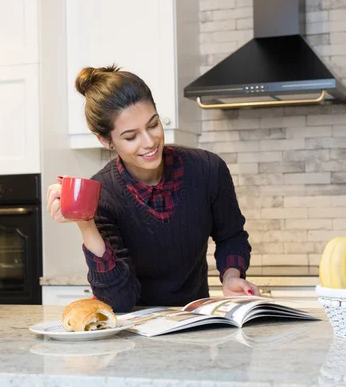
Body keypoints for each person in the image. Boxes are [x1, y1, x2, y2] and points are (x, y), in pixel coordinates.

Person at [47, 65, 258, 312]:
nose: (149, 142)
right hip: (135, 335)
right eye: (130, 137)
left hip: (195, 323)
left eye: (153, 125)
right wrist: (86, 222)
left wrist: (232, 276)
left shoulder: (207, 169)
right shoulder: (103, 195)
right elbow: (119, 301)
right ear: (106, 140)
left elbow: (231, 235)